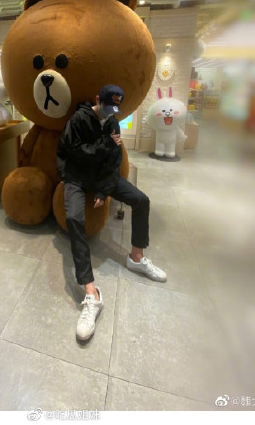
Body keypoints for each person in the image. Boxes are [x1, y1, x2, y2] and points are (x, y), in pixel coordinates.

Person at [57, 85, 167, 342]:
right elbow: (73, 151)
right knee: (74, 218)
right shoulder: (80, 119)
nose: (111, 113)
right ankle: (91, 293)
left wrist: (103, 190)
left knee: (141, 200)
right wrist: (104, 144)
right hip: (76, 177)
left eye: (115, 109)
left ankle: (136, 257)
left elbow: (114, 161)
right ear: (98, 100)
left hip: (101, 178)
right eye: (108, 107)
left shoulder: (113, 123)